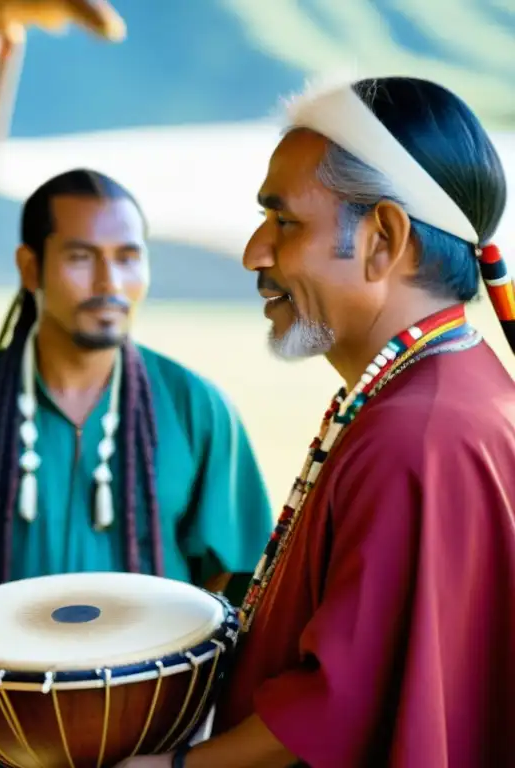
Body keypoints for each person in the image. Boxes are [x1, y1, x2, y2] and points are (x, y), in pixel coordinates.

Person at [119, 77, 515, 768]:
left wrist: (172, 767)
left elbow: (346, 699)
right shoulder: (444, 389)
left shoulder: (418, 434)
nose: (254, 252)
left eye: (286, 222)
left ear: (383, 238)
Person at [0, 169, 274, 768]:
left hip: (146, 746)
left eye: (127, 258)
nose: (109, 282)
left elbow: (242, 588)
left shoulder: (194, 406)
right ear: (29, 266)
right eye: (80, 257)